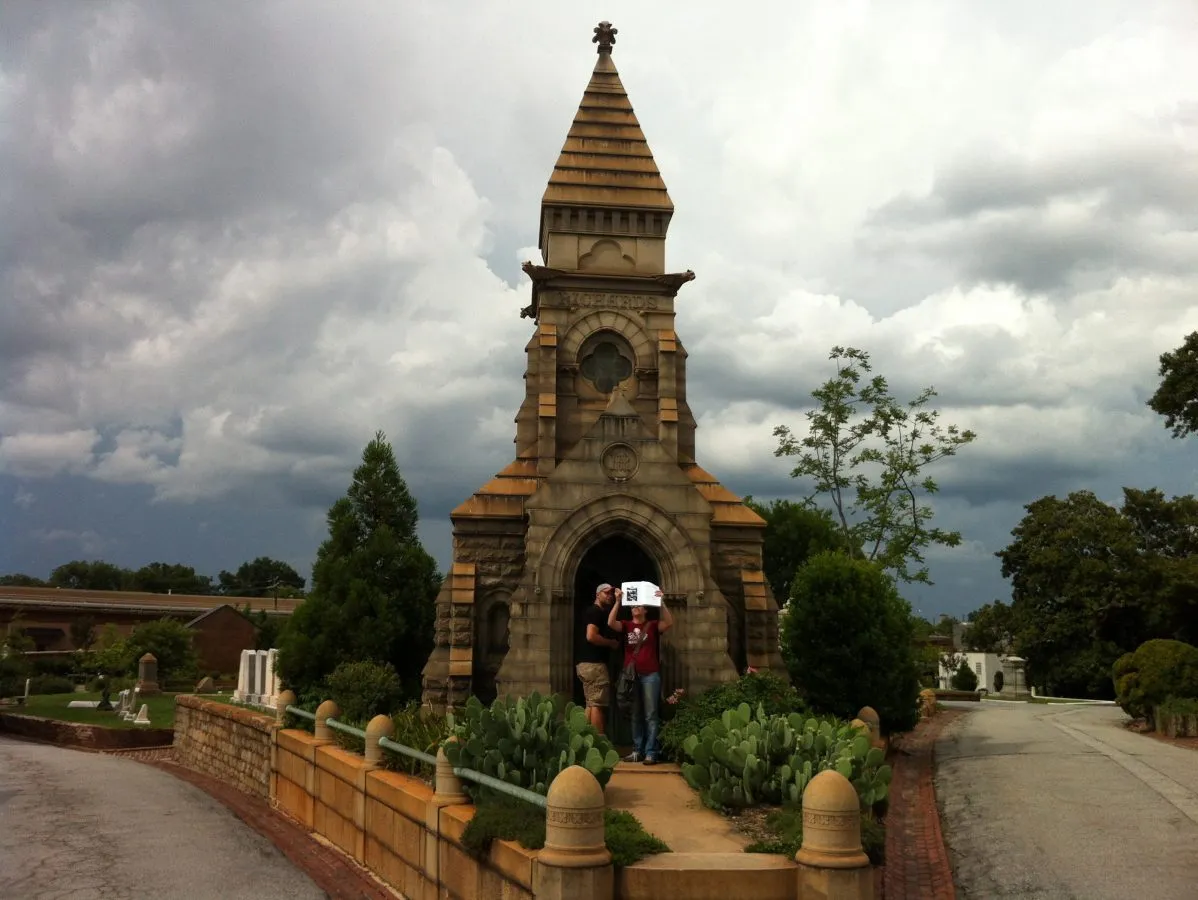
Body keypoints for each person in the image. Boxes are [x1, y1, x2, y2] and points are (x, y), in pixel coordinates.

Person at [607, 587, 673, 764]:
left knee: (651, 714)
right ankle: (637, 750)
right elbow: (610, 623)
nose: (635, 608)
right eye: (633, 606)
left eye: (639, 606)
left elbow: (669, 623)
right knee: (635, 714)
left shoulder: (651, 625)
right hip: (632, 677)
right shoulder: (627, 625)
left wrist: (662, 602)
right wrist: (617, 601)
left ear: (645, 609)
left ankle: (651, 751)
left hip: (650, 674)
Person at [577, 582, 621, 734]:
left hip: (585, 664)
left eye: (610, 593)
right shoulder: (595, 612)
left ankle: (584, 740)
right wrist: (611, 643)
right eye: (605, 593)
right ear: (597, 594)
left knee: (591, 703)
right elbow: (591, 636)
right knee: (597, 704)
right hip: (594, 664)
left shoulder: (593, 611)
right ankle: (598, 743)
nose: (609, 596)